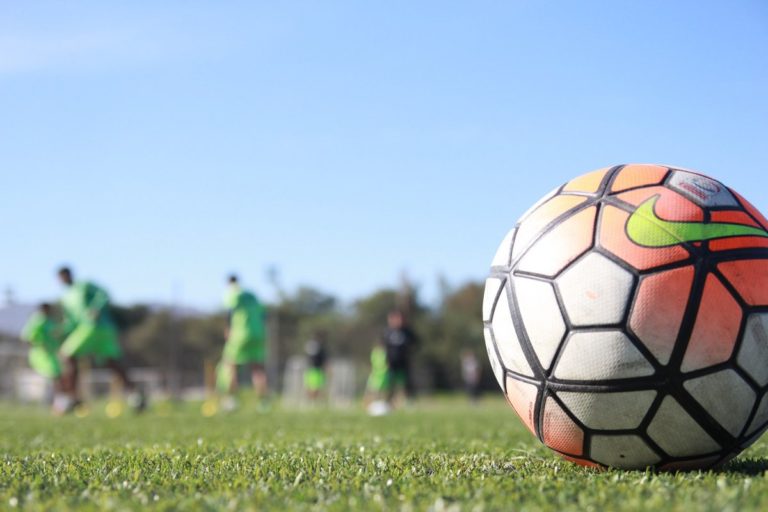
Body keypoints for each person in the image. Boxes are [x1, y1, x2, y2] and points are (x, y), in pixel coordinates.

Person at [56, 266, 145, 412]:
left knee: (108, 362)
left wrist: (96, 308)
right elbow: (71, 321)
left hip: (98, 327)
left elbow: (103, 293)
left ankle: (135, 396)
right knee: (71, 357)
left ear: (70, 275)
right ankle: (73, 398)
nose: (63, 280)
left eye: (64, 276)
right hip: (85, 330)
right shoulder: (65, 297)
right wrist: (62, 330)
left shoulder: (84, 286)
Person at [219, 274, 267, 407]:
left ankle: (231, 400)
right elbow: (264, 315)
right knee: (257, 369)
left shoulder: (233, 292)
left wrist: (228, 328)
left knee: (231, 365)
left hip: (240, 334)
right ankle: (263, 402)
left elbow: (230, 310)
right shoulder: (252, 295)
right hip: (258, 333)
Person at [20, 303, 67, 413]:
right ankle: (53, 404)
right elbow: (27, 337)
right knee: (55, 376)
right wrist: (40, 345)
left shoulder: (49, 321)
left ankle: (57, 404)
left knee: (58, 377)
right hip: (41, 354)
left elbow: (55, 334)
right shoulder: (38, 320)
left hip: (50, 354)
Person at [382, 310, 418, 406]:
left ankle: (409, 402)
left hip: (404, 361)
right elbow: (383, 346)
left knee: (407, 382)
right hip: (391, 362)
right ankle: (389, 401)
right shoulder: (387, 332)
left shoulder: (407, 331)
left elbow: (416, 343)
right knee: (390, 383)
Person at [303, 332, 328, 402]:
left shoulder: (321, 348)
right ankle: (312, 401)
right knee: (312, 388)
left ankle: (315, 401)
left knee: (317, 388)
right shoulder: (313, 346)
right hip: (312, 370)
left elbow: (324, 360)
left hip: (317, 370)